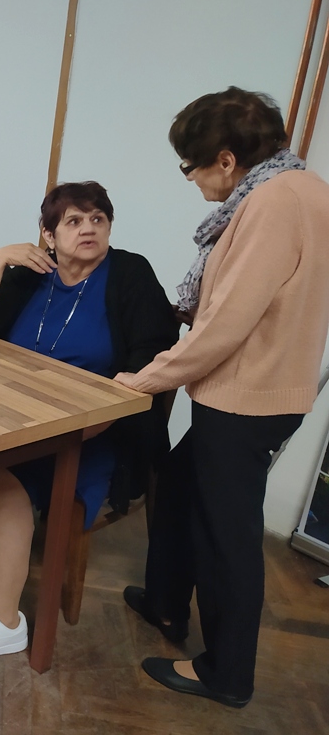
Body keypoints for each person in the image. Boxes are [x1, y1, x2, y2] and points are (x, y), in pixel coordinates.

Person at [115, 87, 329, 708]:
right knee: (180, 489)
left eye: (191, 166)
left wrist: (145, 378)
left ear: (227, 160)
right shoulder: (306, 189)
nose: (191, 179)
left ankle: (226, 674)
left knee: (226, 540)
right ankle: (165, 602)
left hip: (247, 396)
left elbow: (226, 323)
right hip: (265, 390)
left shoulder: (272, 203)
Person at [0, 181, 179, 665]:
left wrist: (101, 410)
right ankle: (7, 535)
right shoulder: (33, 274)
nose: (89, 229)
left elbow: (155, 354)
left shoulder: (129, 273)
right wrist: (0, 258)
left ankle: (4, 620)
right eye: (74, 221)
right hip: (14, 418)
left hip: (95, 432)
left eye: (98, 219)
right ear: (48, 235)